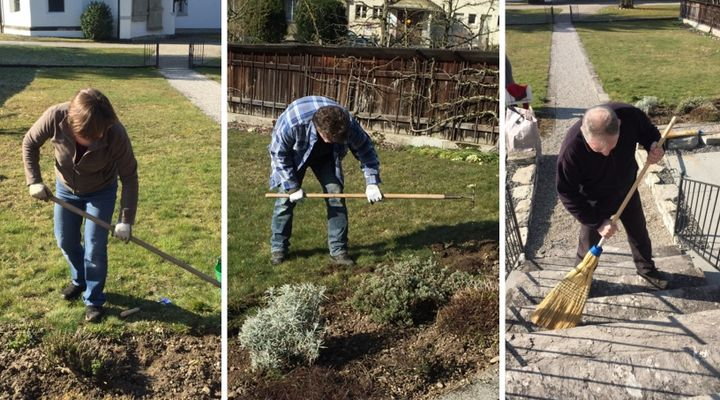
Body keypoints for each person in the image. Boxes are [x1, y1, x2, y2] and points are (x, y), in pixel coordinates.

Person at [22, 88, 138, 322]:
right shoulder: (56, 116)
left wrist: (125, 220)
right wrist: (33, 181)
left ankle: (93, 299)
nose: (97, 140)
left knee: (95, 247)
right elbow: (29, 143)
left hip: (101, 192)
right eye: (91, 137)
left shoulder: (114, 132)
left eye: (100, 136)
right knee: (65, 239)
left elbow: (129, 177)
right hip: (65, 190)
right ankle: (79, 280)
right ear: (73, 125)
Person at [557, 104, 668, 289]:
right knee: (588, 244)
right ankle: (582, 281)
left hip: (627, 188)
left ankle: (647, 270)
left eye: (612, 146)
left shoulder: (630, 116)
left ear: (620, 125)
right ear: (585, 132)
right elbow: (567, 192)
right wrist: (598, 222)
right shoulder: (571, 151)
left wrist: (655, 146)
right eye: (598, 149)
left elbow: (650, 133)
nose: (606, 153)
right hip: (594, 199)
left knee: (639, 231)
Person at [268, 96, 382, 266]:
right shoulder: (294, 123)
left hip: (326, 157)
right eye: (330, 137)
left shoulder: (347, 124)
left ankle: (339, 250)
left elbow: (365, 149)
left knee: (336, 196)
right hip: (295, 155)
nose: (334, 140)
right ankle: (278, 248)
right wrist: (292, 188)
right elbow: (279, 155)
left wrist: (372, 182)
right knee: (284, 202)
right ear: (319, 128)